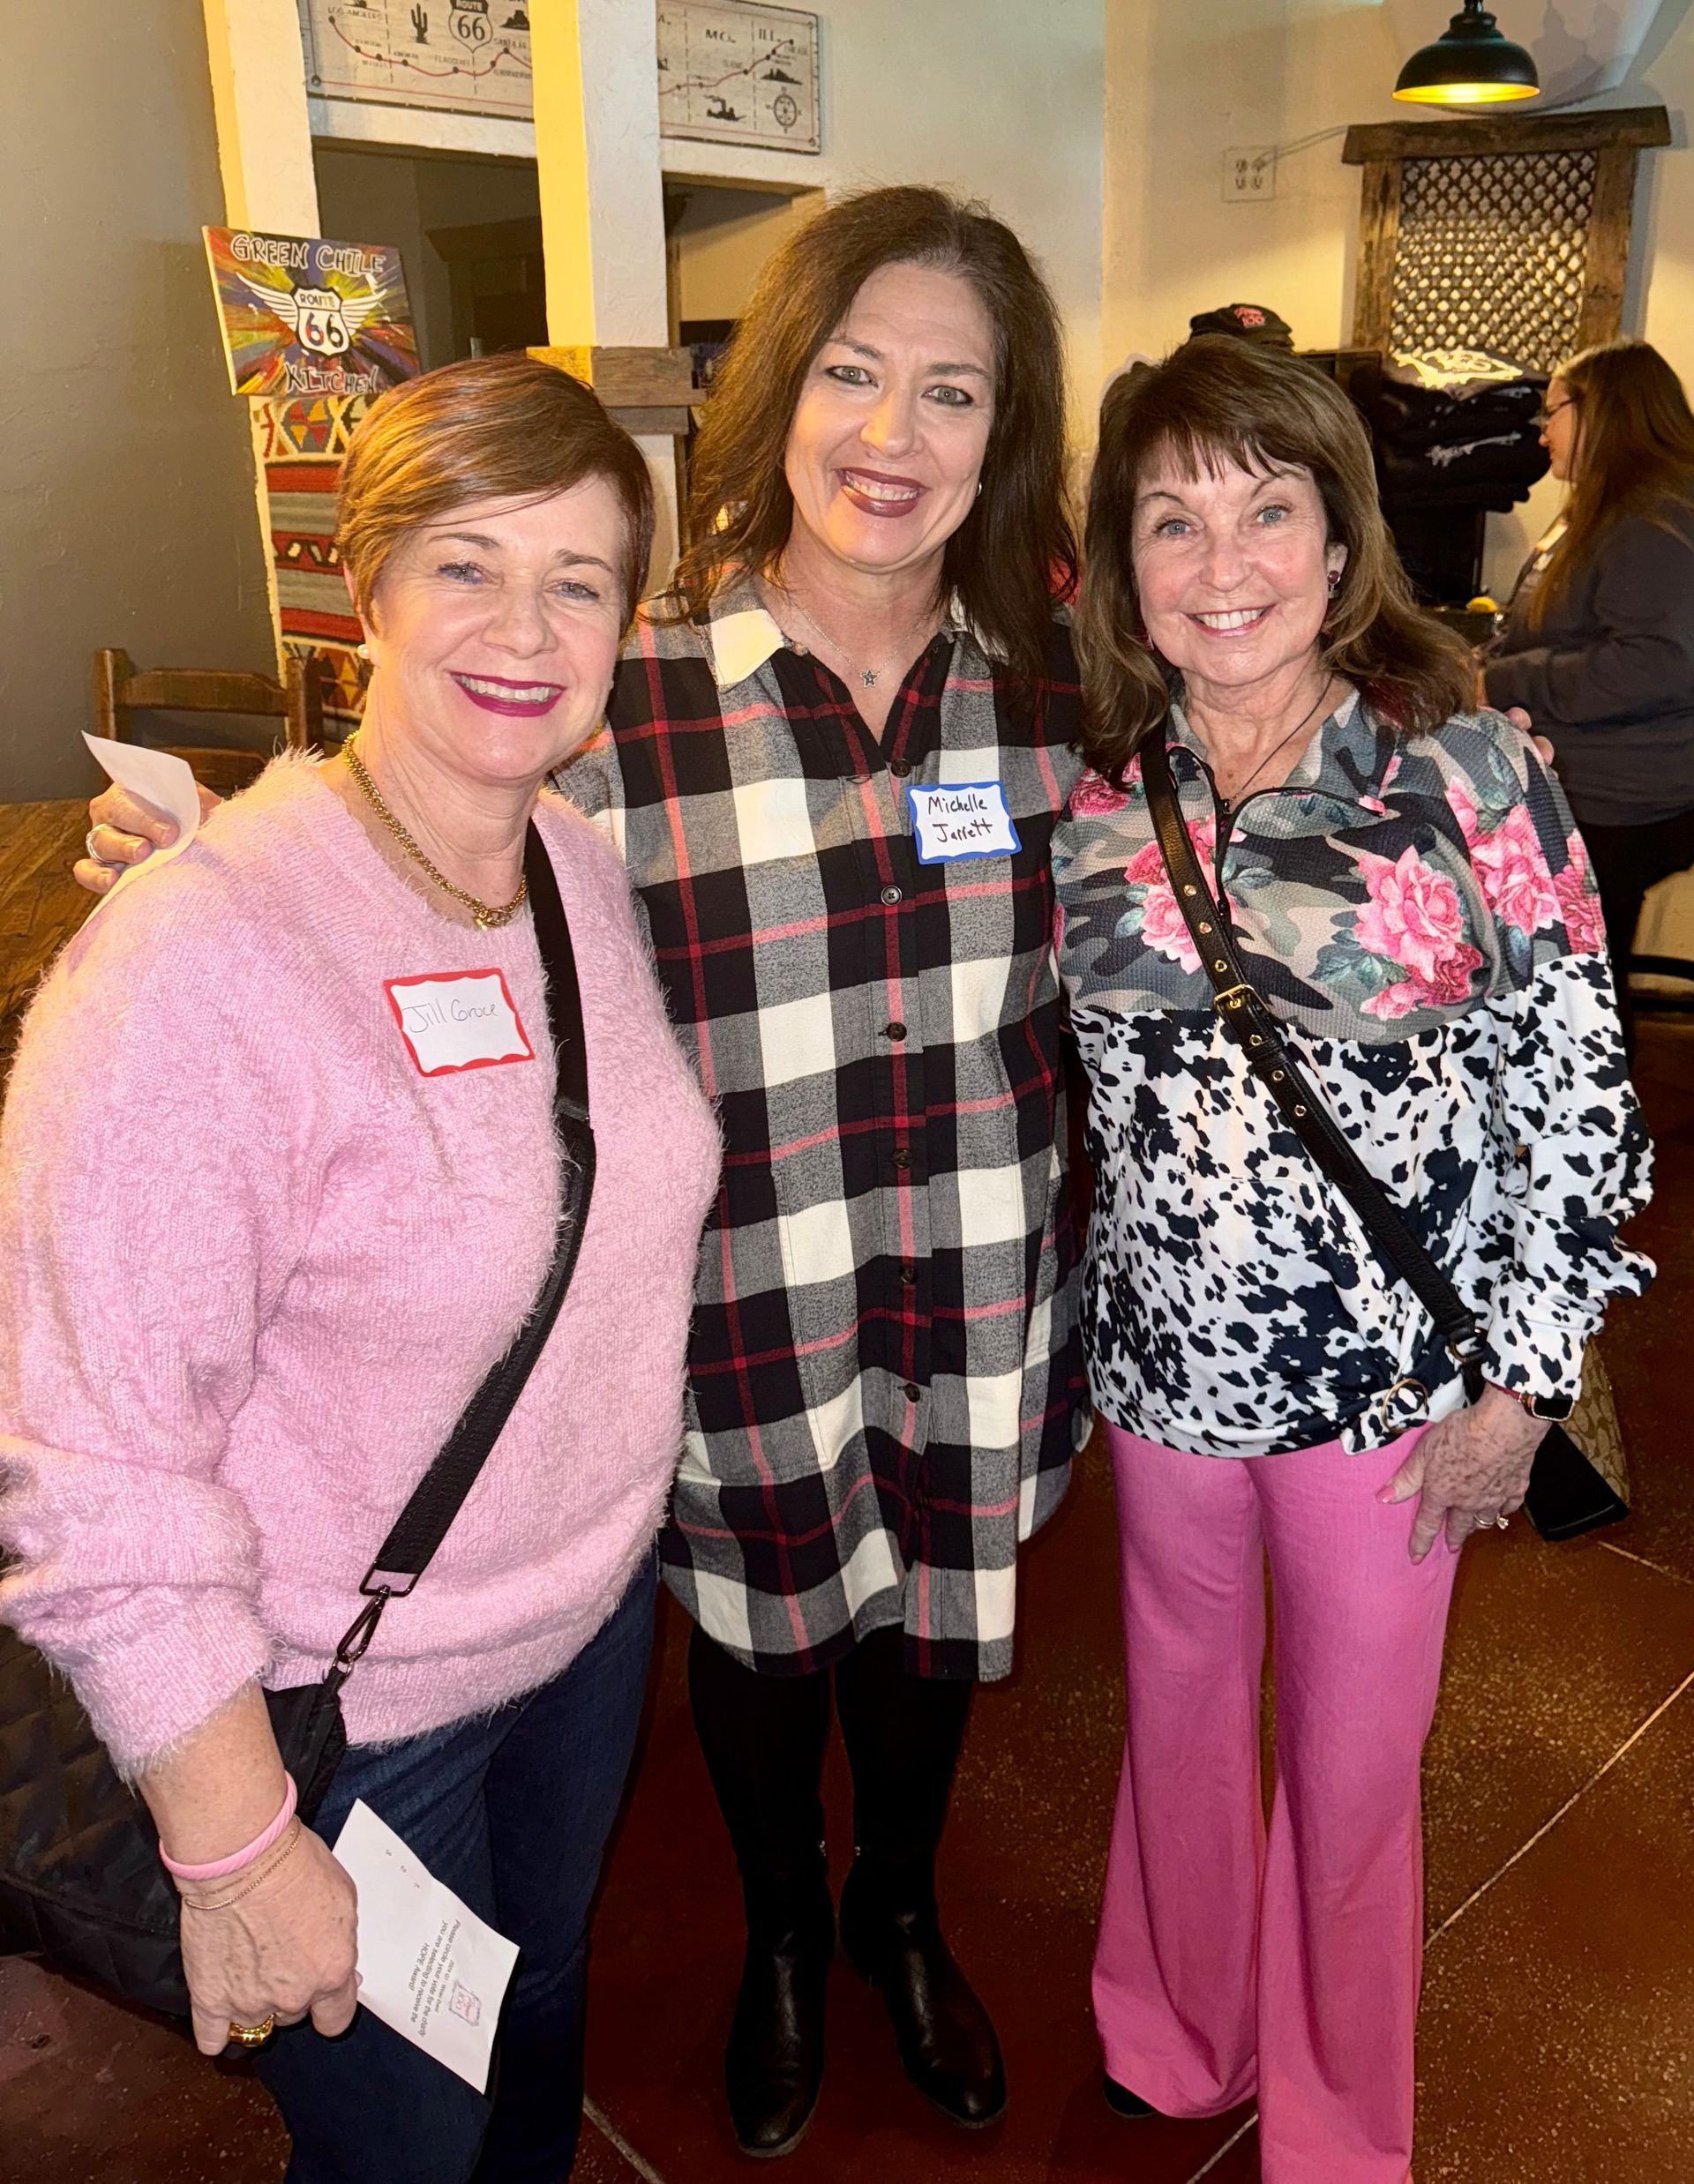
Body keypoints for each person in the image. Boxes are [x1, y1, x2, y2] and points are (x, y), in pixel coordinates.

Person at [78, 185, 1091, 2158]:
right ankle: (784, 1930)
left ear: (1004, 427)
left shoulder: (1052, 695)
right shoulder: (632, 688)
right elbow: (415, 831)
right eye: (854, 373)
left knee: (931, 1633)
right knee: (763, 1645)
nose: (894, 434)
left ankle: (898, 1901)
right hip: (736, 1319)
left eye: (952, 392)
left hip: (973, 1286)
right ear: (780, 389)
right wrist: (199, 871)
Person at [4, 354, 721, 2184]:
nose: (525, 625)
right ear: (367, 586)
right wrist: (238, 1846)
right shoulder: (195, 953)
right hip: (348, 1703)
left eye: (578, 578)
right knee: (404, 2136)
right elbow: (88, 1457)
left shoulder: (571, 861)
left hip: (578, 1630)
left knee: (539, 2011)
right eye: (468, 564)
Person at [1053, 336, 1652, 2183]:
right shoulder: (1084, 787)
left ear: (1337, 540)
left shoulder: (1467, 771)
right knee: (1171, 1722)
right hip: (1160, 1374)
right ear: (1117, 561)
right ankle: (1173, 2027)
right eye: (1172, 518)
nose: (1221, 560)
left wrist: (1524, 1379)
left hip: (1388, 1391)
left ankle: (1333, 2120)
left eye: (1266, 508)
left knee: (1356, 1780)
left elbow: (1579, 1086)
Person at [1484, 337, 1694, 1051]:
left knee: (1580, 979)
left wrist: (1499, 679)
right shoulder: (1607, 508)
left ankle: (1595, 1114)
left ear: (1602, 410)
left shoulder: (1652, 519)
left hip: (1631, 796)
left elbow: (1655, 663)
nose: (1542, 430)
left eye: (1553, 411)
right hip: (1601, 775)